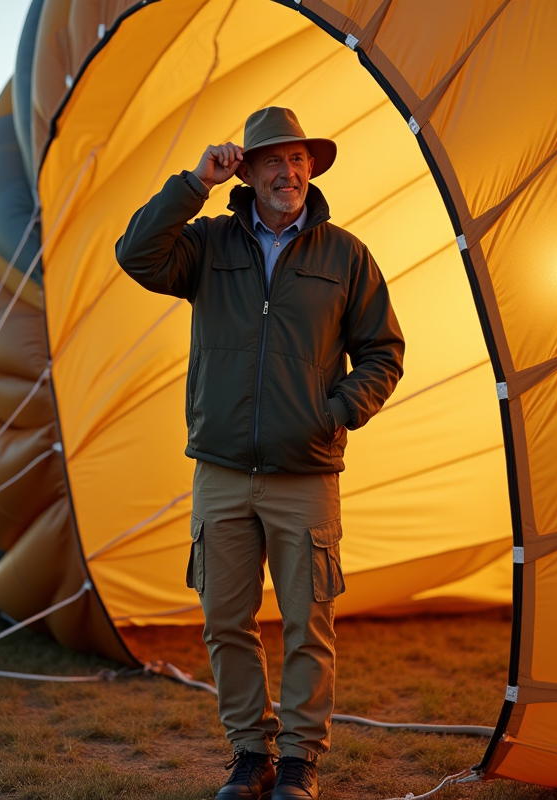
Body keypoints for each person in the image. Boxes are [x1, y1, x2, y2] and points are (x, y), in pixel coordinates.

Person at [116, 107, 403, 800]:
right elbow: (135, 254)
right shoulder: (208, 245)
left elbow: (382, 353)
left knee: (310, 621)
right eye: (272, 159)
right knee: (223, 620)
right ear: (245, 169)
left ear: (312, 167)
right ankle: (252, 755)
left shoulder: (345, 255)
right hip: (220, 471)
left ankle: (300, 762)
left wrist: (334, 413)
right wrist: (193, 183)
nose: (289, 170)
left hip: (306, 471)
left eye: (299, 158)